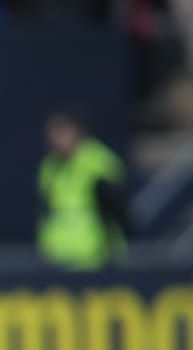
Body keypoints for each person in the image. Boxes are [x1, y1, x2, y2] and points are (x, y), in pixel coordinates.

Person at [37, 110, 127, 271]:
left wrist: (113, 248)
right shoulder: (48, 166)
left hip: (95, 254)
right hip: (57, 255)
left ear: (78, 131)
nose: (56, 137)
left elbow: (116, 207)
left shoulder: (98, 162)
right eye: (53, 132)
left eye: (62, 131)